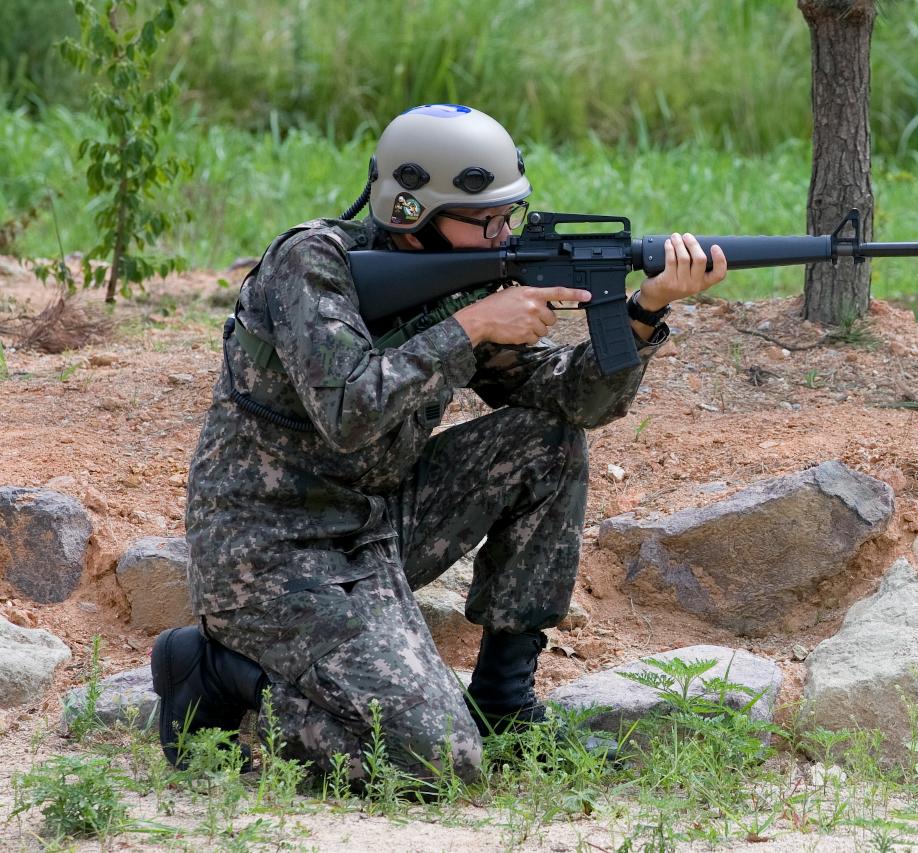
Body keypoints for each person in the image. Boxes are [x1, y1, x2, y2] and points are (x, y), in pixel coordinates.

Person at [150, 103, 728, 787]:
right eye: (483, 220)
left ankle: (505, 704)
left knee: (545, 441)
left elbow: (570, 402)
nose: (501, 234)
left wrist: (644, 313)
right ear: (409, 212)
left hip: (378, 522)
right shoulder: (310, 266)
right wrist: (474, 325)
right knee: (434, 762)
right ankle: (216, 671)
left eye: (507, 216)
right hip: (271, 551)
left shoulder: (464, 276)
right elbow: (349, 408)